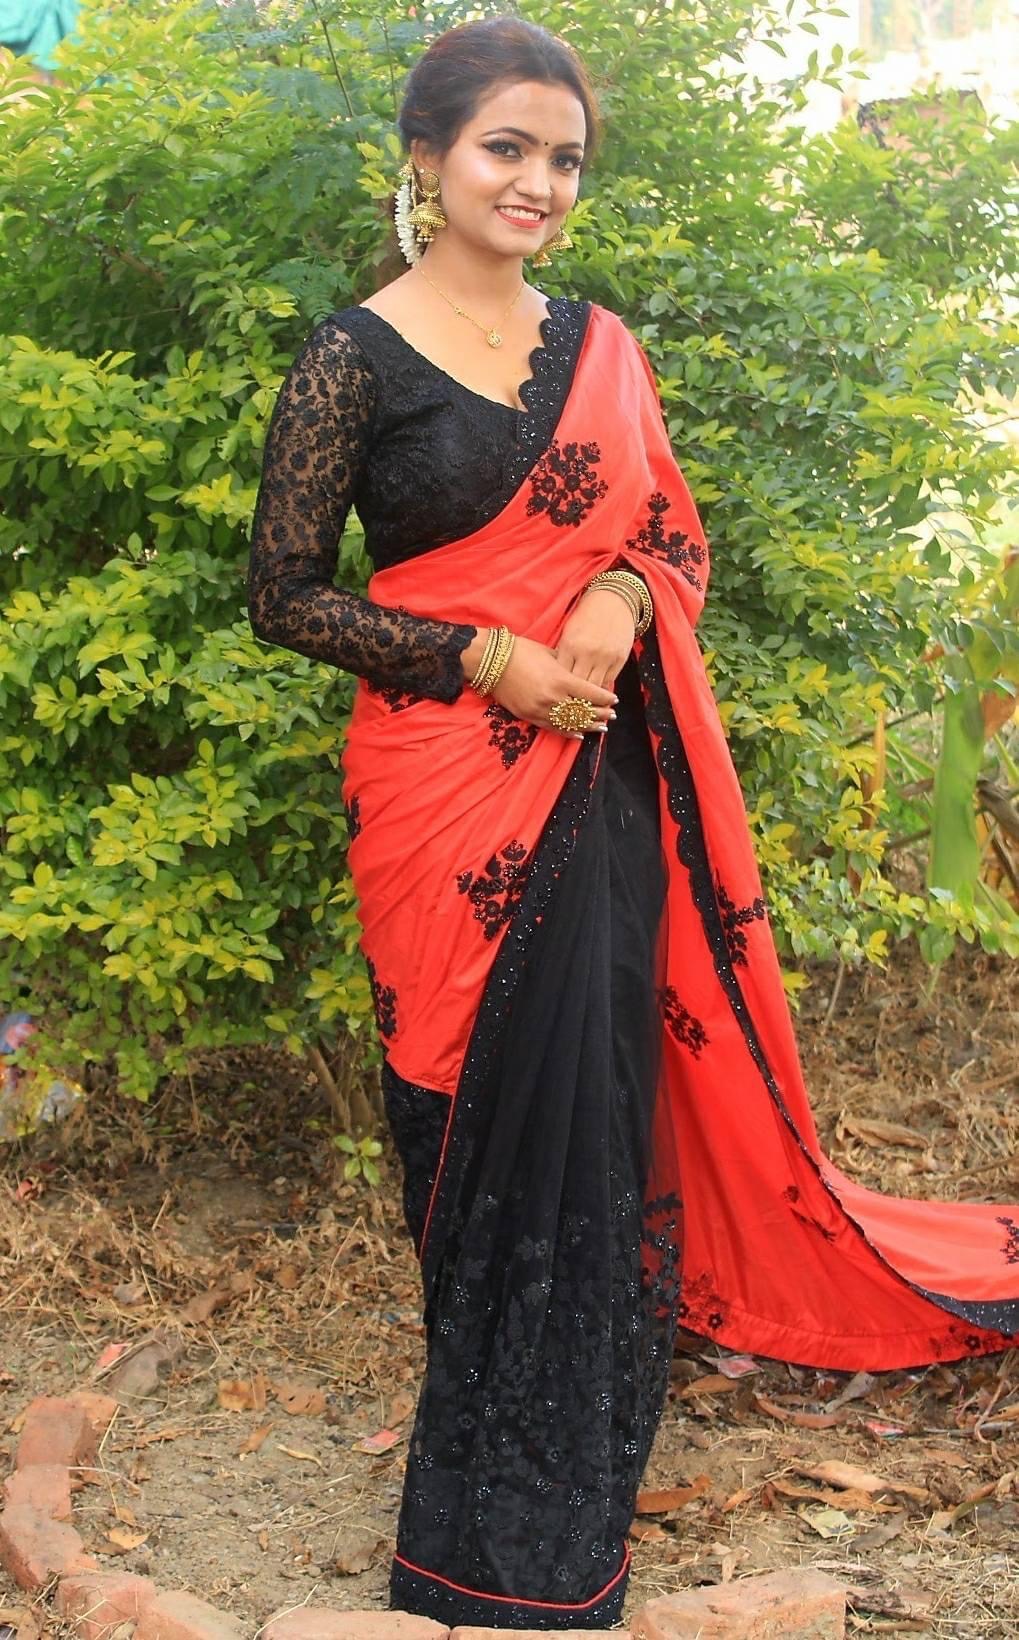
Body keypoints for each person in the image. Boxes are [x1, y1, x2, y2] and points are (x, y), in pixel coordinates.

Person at [246, 17, 1017, 1630]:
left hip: (593, 778)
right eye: (506, 150)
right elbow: (284, 595)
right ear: (428, 158)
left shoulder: (600, 341)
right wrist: (483, 656)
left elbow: (668, 527)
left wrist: (610, 586)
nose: (538, 183)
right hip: (441, 792)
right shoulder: (353, 358)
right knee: (452, 1112)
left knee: (592, 1115)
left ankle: (550, 1509)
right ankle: (482, 1467)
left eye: (565, 158)